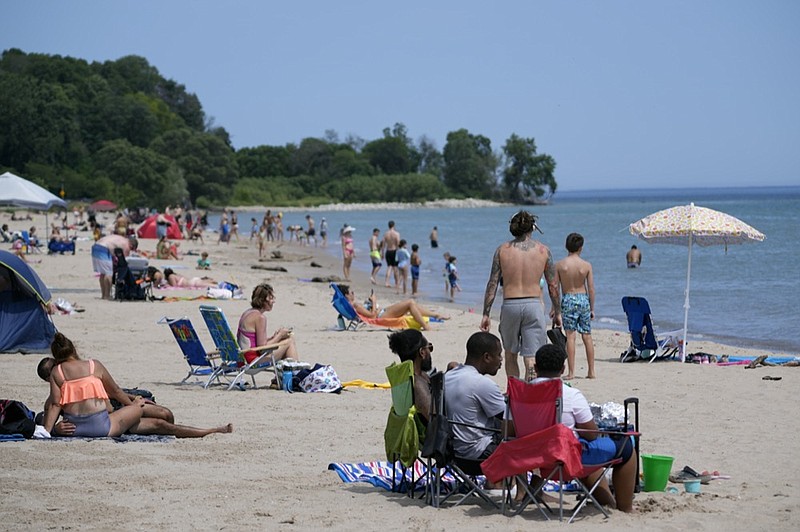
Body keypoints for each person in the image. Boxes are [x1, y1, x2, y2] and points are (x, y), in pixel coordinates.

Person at [532, 344, 637, 513]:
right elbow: (591, 434)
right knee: (626, 446)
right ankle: (626, 509)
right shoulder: (570, 394)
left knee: (583, 449)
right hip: (563, 459)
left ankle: (609, 502)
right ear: (562, 369)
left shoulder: (520, 393)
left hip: (530, 458)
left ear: (535, 367)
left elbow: (510, 431)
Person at [37, 352, 232, 438]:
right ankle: (210, 431)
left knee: (165, 414)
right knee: (161, 422)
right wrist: (55, 429)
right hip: (115, 420)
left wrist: (132, 400)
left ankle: (192, 431)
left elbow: (115, 391)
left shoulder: (81, 373)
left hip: (119, 409)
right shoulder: (54, 398)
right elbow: (46, 422)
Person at [480, 210, 561, 381]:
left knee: (510, 354)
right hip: (534, 305)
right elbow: (553, 286)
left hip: (510, 304)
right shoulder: (543, 251)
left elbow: (492, 284)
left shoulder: (502, 250)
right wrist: (558, 311)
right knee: (532, 357)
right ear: (532, 227)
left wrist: (486, 313)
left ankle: (514, 393)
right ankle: (530, 395)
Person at [43, 332, 146, 437]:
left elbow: (55, 404)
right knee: (138, 409)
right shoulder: (94, 365)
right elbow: (115, 391)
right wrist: (132, 404)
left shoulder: (57, 372)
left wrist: (49, 431)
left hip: (73, 429)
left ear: (56, 357)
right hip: (100, 427)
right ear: (73, 350)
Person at [444, 331, 506, 460]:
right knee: (523, 439)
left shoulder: (448, 376)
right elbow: (509, 417)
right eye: (499, 355)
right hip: (477, 452)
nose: (501, 360)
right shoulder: (482, 383)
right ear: (487, 357)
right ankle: (518, 480)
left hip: (451, 451)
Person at [555, 233, 596, 380]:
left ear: (567, 246)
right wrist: (592, 308)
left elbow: (555, 288)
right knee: (587, 336)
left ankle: (571, 372)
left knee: (570, 337)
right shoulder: (586, 265)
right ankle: (591, 371)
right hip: (583, 299)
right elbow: (591, 288)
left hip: (568, 298)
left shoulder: (560, 265)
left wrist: (555, 308)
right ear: (581, 248)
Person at [337, 284, 449, 331]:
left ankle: (435, 315)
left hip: (382, 313)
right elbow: (372, 316)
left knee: (411, 304)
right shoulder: (355, 305)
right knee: (410, 303)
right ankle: (426, 326)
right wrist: (374, 302)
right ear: (347, 295)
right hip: (381, 316)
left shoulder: (352, 306)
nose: (353, 293)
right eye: (351, 292)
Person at [237, 283, 300, 366]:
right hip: (253, 361)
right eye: (271, 298)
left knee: (285, 340)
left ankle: (286, 376)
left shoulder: (247, 313)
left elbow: (254, 342)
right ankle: (295, 374)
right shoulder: (260, 317)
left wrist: (274, 338)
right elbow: (262, 348)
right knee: (289, 341)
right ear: (264, 300)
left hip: (242, 358)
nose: (273, 301)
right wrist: (280, 335)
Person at [387, 329, 433, 424]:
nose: (430, 352)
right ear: (422, 353)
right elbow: (434, 418)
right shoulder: (418, 383)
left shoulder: (404, 380)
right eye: (430, 348)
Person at [92, 234, 132, 300]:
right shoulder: (126, 244)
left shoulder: (120, 238)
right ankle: (107, 295)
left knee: (103, 273)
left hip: (96, 246)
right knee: (108, 273)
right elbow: (125, 259)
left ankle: (103, 295)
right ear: (131, 245)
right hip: (103, 248)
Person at [149, 267, 218, 288]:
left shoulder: (171, 277)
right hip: (193, 280)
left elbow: (174, 285)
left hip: (192, 283)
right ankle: (213, 280)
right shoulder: (176, 275)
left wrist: (166, 285)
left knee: (213, 286)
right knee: (210, 284)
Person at [383, 220, 400, 288]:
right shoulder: (396, 234)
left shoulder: (386, 234)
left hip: (388, 251)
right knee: (395, 267)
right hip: (394, 251)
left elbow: (383, 244)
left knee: (389, 267)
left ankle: (387, 282)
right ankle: (396, 283)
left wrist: (382, 252)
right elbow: (398, 243)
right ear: (394, 225)